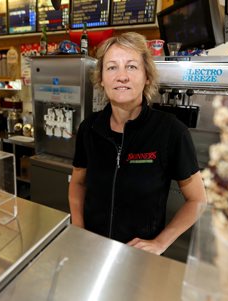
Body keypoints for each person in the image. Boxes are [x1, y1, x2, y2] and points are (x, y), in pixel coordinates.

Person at [68, 32, 207, 255]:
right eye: (112, 67)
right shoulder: (89, 128)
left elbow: (198, 200)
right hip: (91, 247)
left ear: (147, 76)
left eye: (132, 67)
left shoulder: (171, 131)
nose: (121, 76)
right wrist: (78, 227)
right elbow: (77, 184)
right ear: (102, 79)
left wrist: (160, 243)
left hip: (139, 256)